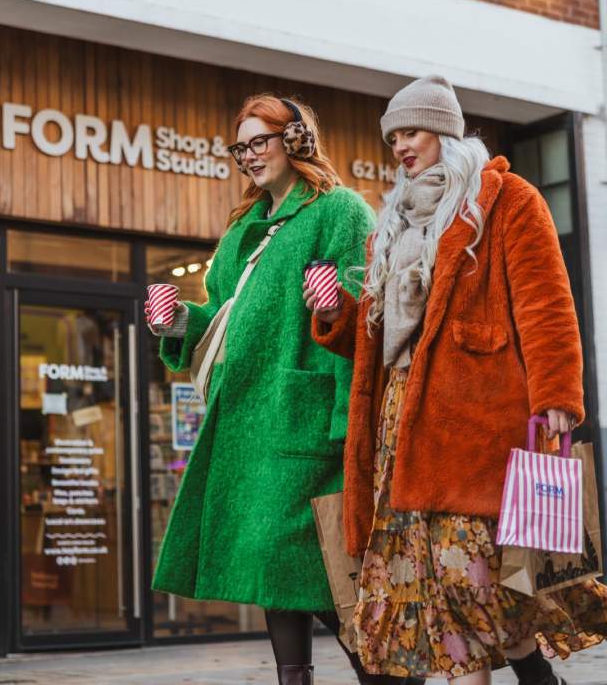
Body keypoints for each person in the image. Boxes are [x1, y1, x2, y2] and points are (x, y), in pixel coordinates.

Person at [305, 75, 607, 685]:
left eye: (410, 132)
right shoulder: (391, 224)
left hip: (473, 425)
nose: (400, 147)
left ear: (444, 131)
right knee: (436, 593)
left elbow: (547, 304)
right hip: (400, 430)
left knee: (484, 586)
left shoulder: (508, 200)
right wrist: (336, 314)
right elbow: (376, 331)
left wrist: (556, 398)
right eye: (392, 138)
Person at [147, 94, 419, 685]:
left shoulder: (340, 211)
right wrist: (177, 321)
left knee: (315, 569)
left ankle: (391, 676)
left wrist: (336, 309)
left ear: (295, 140)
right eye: (239, 146)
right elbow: (219, 315)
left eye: (259, 142)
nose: (248, 156)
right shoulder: (243, 228)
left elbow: (368, 316)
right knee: (277, 569)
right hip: (250, 426)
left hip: (308, 424)